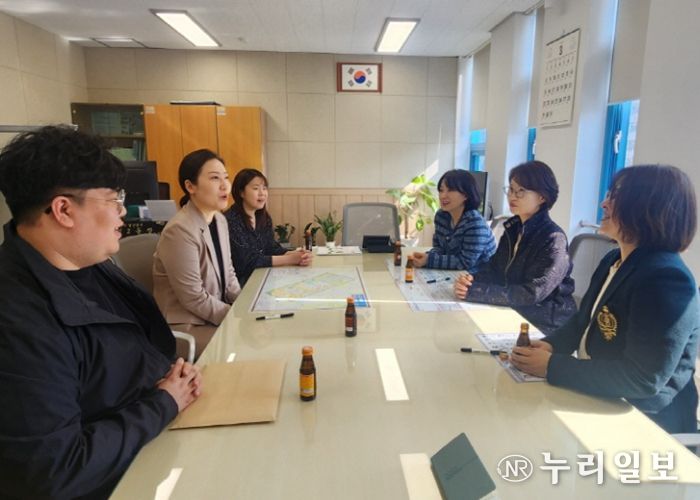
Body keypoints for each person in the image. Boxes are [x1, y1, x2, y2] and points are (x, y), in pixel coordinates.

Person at [0, 125, 202, 499]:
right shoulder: (17, 320)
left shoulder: (89, 264)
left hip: (149, 446)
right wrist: (163, 402)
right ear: (63, 210)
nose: (122, 211)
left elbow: (122, 357)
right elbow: (56, 469)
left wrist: (170, 376)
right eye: (112, 199)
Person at [511, 165, 699, 434]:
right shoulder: (614, 259)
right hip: (601, 393)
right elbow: (583, 320)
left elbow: (642, 379)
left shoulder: (665, 278)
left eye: (616, 196)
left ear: (648, 208)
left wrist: (552, 367)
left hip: (643, 419)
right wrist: (550, 345)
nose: (604, 203)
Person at [453, 160, 576, 333]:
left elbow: (532, 292)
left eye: (521, 191)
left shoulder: (553, 238)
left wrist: (477, 291)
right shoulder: (513, 229)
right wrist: (471, 280)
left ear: (542, 197)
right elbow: (494, 268)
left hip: (545, 324)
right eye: (510, 189)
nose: (512, 196)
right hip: (513, 311)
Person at [153, 149, 241, 355]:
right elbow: (193, 298)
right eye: (215, 178)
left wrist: (245, 305)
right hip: (186, 327)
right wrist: (237, 317)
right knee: (246, 344)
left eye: (226, 177)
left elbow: (229, 275)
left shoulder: (219, 219)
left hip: (212, 317)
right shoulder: (179, 230)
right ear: (190, 186)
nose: (225, 185)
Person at [224, 168, 312, 287]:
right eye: (256, 188)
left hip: (262, 276)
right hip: (239, 284)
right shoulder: (230, 220)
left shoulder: (263, 217)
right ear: (241, 192)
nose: (262, 193)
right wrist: (290, 259)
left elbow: (271, 248)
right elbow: (247, 262)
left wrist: (295, 254)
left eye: (264, 188)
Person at [411, 169, 496, 272]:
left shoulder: (475, 223)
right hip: (455, 273)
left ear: (466, 195)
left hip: (479, 276)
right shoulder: (441, 216)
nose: (443, 196)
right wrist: (427, 256)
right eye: (441, 190)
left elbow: (465, 262)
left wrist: (429, 260)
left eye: (450, 190)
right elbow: (439, 248)